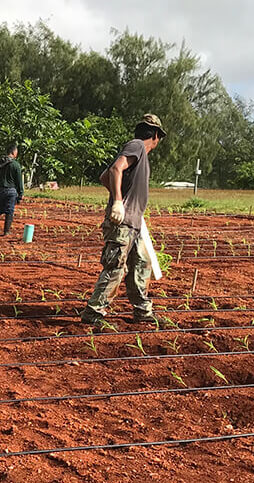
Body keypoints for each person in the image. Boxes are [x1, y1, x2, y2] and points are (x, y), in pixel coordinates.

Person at [80, 114, 167, 326]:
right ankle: (93, 313)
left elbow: (103, 177)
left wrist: (124, 198)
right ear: (156, 135)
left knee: (141, 265)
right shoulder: (136, 146)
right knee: (116, 267)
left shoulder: (139, 154)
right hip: (123, 223)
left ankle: (142, 311)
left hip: (134, 223)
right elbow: (115, 169)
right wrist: (119, 201)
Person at [0, 143, 24, 235]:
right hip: (11, 191)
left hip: (0, 190)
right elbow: (19, 181)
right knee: (9, 210)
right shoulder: (15, 165)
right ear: (14, 152)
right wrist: (20, 194)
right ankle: (6, 231)